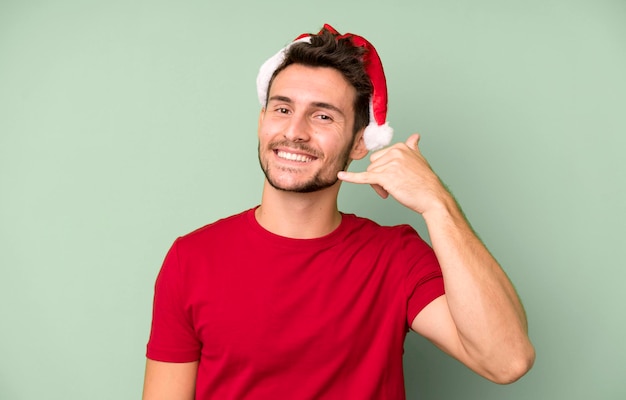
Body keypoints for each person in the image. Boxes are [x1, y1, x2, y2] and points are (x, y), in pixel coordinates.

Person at [142, 24, 535, 399]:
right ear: (262, 121)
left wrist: (437, 203)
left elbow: (507, 361)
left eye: (323, 115)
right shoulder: (191, 259)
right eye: (282, 109)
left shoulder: (396, 257)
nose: (294, 131)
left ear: (360, 143)